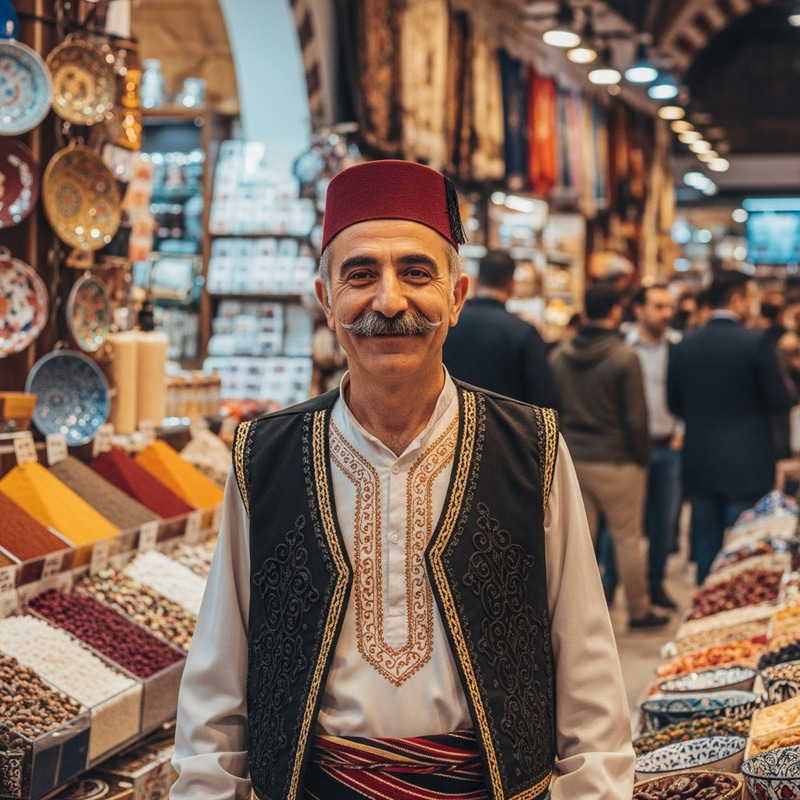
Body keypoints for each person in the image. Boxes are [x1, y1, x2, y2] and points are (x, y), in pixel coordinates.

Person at [170, 159, 634, 800]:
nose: (389, 302)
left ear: (457, 296)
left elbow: (588, 669)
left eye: (416, 272)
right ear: (326, 300)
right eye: (360, 275)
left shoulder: (532, 448)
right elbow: (217, 680)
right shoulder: (264, 456)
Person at [548, 283, 668, 630]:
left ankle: (579, 617)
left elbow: (551, 409)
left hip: (573, 459)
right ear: (616, 312)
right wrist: (641, 457)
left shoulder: (559, 355)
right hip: (618, 461)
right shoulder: (624, 356)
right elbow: (636, 416)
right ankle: (639, 611)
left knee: (578, 545)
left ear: (585, 313)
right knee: (627, 539)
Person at [667, 269, 796, 584]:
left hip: (700, 460)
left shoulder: (685, 344)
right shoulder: (756, 342)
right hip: (748, 462)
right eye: (749, 298)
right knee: (745, 549)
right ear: (737, 299)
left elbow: (673, 404)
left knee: (706, 547)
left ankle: (703, 618)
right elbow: (780, 399)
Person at [441, 249, 557, 406]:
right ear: (512, 285)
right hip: (505, 427)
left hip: (453, 424)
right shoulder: (524, 333)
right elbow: (544, 399)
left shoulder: (447, 325)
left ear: (475, 281)